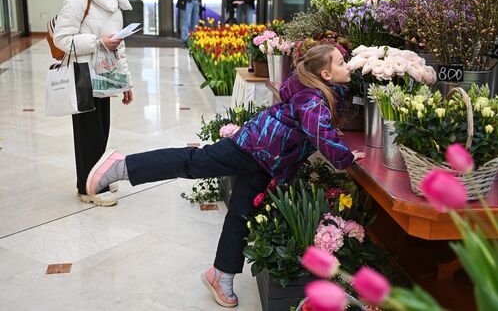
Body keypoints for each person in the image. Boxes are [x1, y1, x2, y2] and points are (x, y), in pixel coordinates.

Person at [85, 44, 366, 307]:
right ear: (326, 74)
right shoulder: (313, 99)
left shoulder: (319, 90)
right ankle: (123, 166)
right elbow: (320, 132)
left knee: (241, 213)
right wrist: (345, 157)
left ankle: (221, 274)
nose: (347, 66)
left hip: (266, 160)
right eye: (342, 62)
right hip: (253, 148)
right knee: (193, 162)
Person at [53, 0, 133, 207]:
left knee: (101, 133)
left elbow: (118, 46)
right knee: (88, 134)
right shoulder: (78, 0)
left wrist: (126, 83)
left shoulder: (114, 2)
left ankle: (97, 178)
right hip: (84, 76)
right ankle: (87, 188)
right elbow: (61, 39)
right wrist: (98, 42)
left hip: (106, 77)